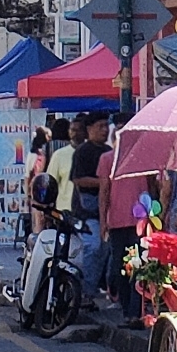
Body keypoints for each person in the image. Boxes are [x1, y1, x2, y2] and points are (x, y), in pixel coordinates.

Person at [99, 146, 155, 328]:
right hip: (117, 222)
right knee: (120, 269)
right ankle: (127, 311)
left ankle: (135, 312)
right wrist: (103, 220)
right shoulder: (108, 159)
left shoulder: (144, 155)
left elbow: (152, 185)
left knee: (139, 267)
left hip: (141, 220)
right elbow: (104, 190)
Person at [70, 112, 113, 298]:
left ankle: (95, 289)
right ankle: (86, 292)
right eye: (100, 126)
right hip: (87, 211)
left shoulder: (108, 151)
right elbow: (79, 180)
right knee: (94, 247)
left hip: (106, 210)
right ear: (89, 129)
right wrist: (104, 182)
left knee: (105, 250)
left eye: (106, 126)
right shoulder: (82, 151)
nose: (104, 130)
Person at [30, 119, 67, 234]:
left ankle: (40, 234)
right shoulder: (72, 146)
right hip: (65, 185)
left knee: (41, 212)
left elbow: (42, 168)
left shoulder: (48, 146)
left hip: (50, 184)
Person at [46, 119, 85, 226]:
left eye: (79, 130)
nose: (76, 133)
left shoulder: (93, 152)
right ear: (69, 132)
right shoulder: (59, 155)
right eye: (73, 130)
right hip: (64, 212)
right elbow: (50, 183)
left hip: (87, 212)